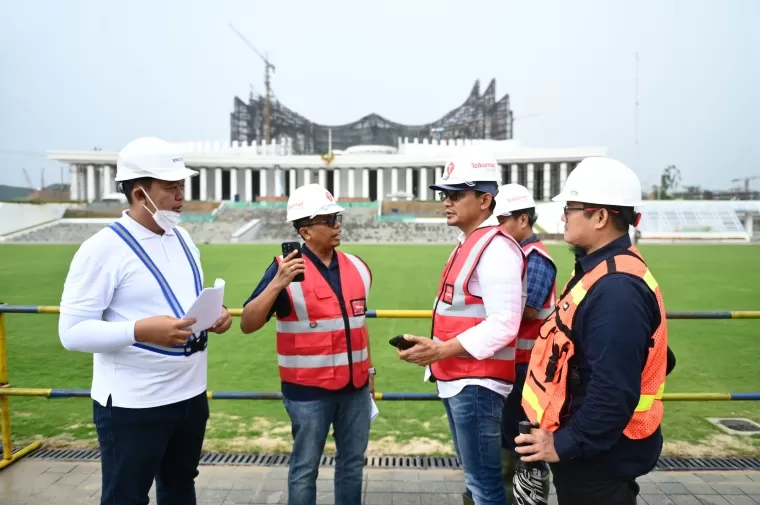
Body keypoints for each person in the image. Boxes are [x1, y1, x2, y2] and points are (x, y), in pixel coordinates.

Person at [58, 136, 233, 505]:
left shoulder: (183, 238)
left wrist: (214, 316)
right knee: (127, 496)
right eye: (171, 187)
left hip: (189, 395)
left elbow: (184, 305)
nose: (181, 195)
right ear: (140, 193)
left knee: (180, 488)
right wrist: (138, 330)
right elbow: (71, 333)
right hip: (131, 405)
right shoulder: (102, 249)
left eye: (182, 185)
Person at [516, 157, 669, 505]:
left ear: (600, 216)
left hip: (598, 459)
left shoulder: (616, 288)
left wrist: (564, 444)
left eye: (570, 208)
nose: (563, 216)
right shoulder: (600, 272)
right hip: (593, 452)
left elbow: (613, 389)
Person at [396, 154, 526, 505]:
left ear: (485, 200)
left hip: (478, 382)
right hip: (461, 378)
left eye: (456, 194)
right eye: (445, 194)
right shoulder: (473, 243)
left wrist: (439, 350)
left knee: (484, 485)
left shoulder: (496, 248)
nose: (446, 202)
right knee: (478, 481)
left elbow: (504, 324)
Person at [239, 183, 375, 505]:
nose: (337, 224)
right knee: (304, 469)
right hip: (307, 394)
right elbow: (247, 322)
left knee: (353, 465)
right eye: (328, 220)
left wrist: (370, 370)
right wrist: (278, 283)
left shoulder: (357, 266)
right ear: (305, 231)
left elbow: (358, 326)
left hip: (355, 389)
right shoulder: (282, 268)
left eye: (337, 217)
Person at [493, 184, 556, 503]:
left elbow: (530, 308)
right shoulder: (520, 254)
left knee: (523, 435)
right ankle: (510, 492)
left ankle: (528, 495)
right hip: (516, 363)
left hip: (530, 366)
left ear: (522, 219)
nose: (498, 227)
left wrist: (492, 315)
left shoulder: (536, 258)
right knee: (509, 432)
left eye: (502, 219)